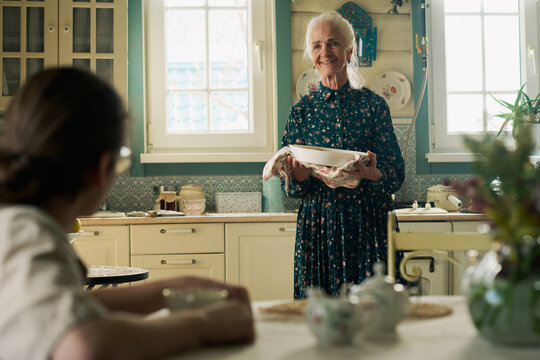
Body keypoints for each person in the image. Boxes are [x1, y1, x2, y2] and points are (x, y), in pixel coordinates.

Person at [0, 68, 254, 360]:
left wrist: (174, 289)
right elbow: (86, 346)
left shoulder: (15, 223)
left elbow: (58, 312)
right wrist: (203, 324)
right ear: (102, 167)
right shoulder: (27, 233)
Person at [281, 12, 405, 299]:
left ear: (350, 50)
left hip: (369, 224)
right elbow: (289, 186)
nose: (324, 52)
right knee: (321, 315)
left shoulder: (374, 106)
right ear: (310, 54)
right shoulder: (300, 112)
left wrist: (374, 174)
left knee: (376, 314)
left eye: (333, 43)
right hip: (319, 227)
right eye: (316, 45)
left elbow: (396, 174)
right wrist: (297, 177)